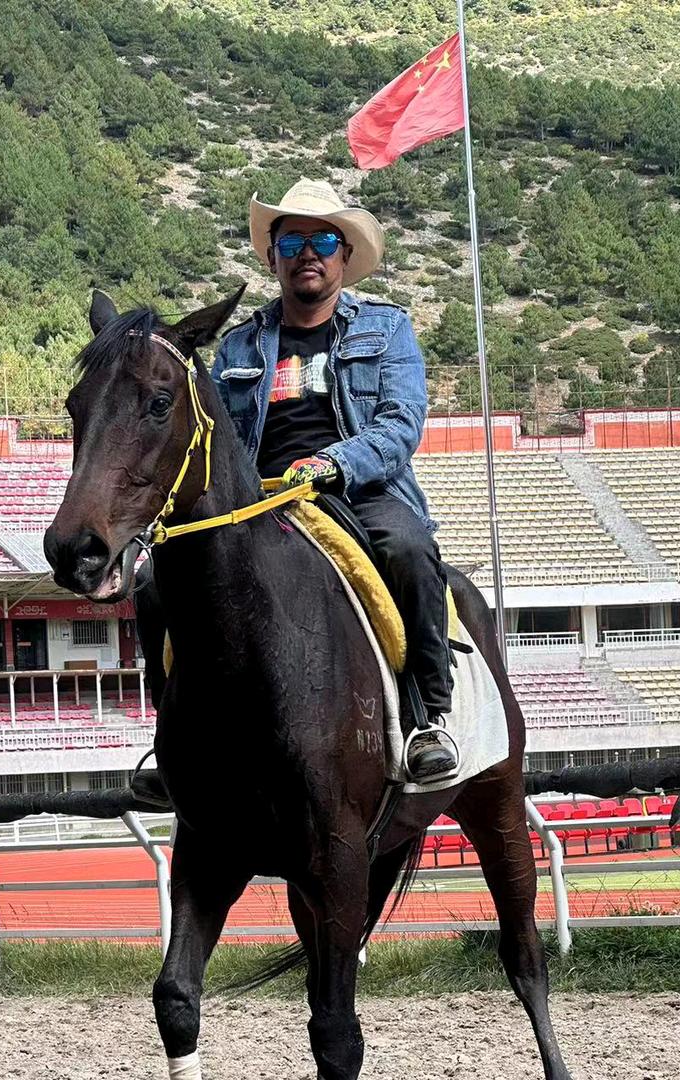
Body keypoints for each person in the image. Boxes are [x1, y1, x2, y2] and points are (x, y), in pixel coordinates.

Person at [211, 178, 456, 780]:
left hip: (358, 490)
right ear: (273, 258)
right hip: (258, 500)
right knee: (160, 581)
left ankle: (429, 715)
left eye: (323, 239)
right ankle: (173, 739)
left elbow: (401, 425)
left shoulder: (387, 328)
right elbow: (218, 438)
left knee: (410, 548)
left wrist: (332, 465)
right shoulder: (237, 344)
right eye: (292, 243)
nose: (308, 254)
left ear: (344, 255)